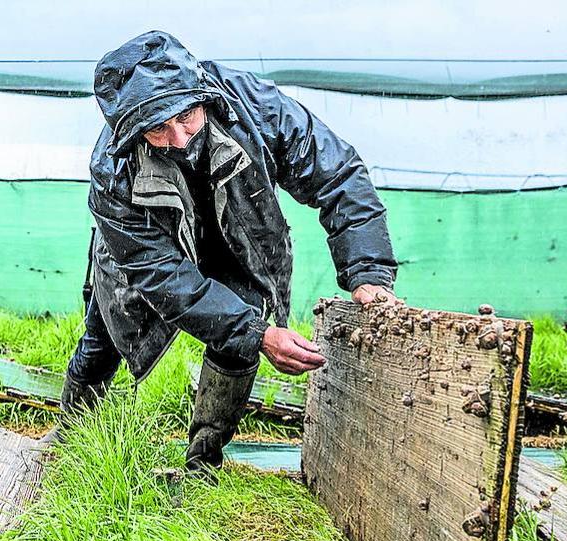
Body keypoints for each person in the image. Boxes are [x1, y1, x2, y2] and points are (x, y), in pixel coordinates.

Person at [62, 30, 399, 472]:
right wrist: (260, 335)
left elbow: (338, 174)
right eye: (158, 130)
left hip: (235, 233)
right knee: (103, 337)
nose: (180, 139)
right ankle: (70, 434)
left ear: (204, 97)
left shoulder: (255, 108)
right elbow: (162, 277)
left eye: (186, 117)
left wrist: (368, 271)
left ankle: (203, 461)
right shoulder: (113, 173)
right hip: (142, 258)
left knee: (239, 332)